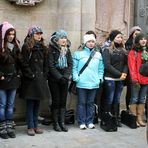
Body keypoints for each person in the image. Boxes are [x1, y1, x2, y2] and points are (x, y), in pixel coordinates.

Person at [20, 26, 50, 136]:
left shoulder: (43, 47)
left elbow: (46, 64)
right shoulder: (26, 46)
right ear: (31, 35)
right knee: (30, 104)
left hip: (40, 79)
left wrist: (45, 76)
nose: (39, 35)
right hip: (30, 81)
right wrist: (31, 75)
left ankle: (36, 125)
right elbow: (24, 63)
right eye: (37, 33)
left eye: (40, 33)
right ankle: (30, 126)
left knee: (37, 103)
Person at [72, 33, 104, 130]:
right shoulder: (78, 54)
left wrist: (99, 78)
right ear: (85, 42)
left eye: (93, 42)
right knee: (81, 103)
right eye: (89, 41)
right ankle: (81, 121)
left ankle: (89, 121)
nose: (91, 43)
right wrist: (76, 78)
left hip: (94, 83)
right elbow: (74, 68)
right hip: (82, 83)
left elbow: (101, 69)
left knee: (90, 103)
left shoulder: (98, 55)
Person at [101, 30, 128, 127]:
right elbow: (107, 65)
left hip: (120, 78)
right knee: (109, 98)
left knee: (117, 99)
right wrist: (119, 74)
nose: (120, 39)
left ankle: (116, 118)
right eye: (118, 37)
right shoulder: (107, 49)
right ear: (113, 38)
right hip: (110, 78)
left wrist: (124, 73)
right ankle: (107, 118)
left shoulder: (123, 50)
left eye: (121, 37)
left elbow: (126, 63)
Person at [48, 30, 72, 132]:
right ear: (57, 40)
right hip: (54, 79)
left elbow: (70, 64)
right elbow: (51, 66)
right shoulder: (51, 50)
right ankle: (56, 123)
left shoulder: (67, 50)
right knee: (56, 100)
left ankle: (62, 122)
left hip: (65, 79)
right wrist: (59, 77)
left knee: (63, 101)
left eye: (65, 38)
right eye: (62, 38)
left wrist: (66, 76)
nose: (64, 40)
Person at [0, 22, 21, 139]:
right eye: (9, 34)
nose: (11, 36)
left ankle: (9, 126)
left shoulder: (16, 46)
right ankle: (2, 127)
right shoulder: (0, 47)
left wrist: (18, 74)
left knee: (10, 104)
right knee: (2, 104)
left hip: (13, 80)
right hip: (2, 81)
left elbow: (19, 63)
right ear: (4, 34)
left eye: (13, 34)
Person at [128, 33, 148, 127]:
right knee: (134, 98)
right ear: (137, 41)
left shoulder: (146, 52)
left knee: (142, 99)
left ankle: (140, 118)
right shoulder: (133, 52)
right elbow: (132, 67)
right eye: (141, 39)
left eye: (145, 39)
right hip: (136, 80)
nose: (144, 41)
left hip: (146, 80)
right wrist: (134, 79)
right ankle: (133, 118)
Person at [125, 26, 141, 110]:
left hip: (141, 73)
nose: (137, 35)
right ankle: (129, 110)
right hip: (130, 72)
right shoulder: (128, 44)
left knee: (140, 94)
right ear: (132, 34)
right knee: (131, 92)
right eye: (136, 34)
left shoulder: (142, 44)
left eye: (139, 34)